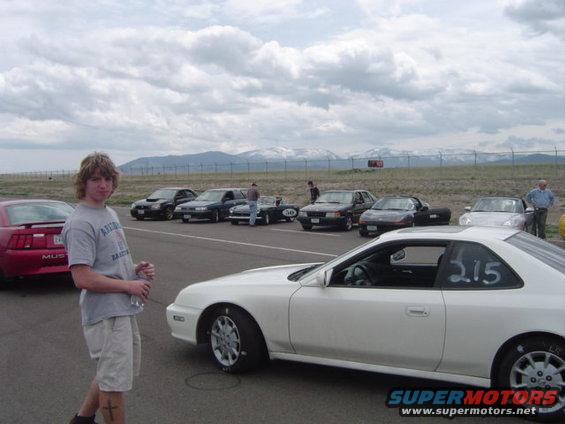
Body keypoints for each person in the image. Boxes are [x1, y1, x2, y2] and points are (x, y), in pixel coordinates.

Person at [63, 152, 155, 424]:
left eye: (107, 178)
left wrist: (135, 269)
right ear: (84, 183)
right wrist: (129, 285)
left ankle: (82, 420)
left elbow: (107, 263)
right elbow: (82, 278)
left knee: (110, 372)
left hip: (120, 309)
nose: (102, 185)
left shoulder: (108, 212)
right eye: (95, 179)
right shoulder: (80, 223)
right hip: (105, 314)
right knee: (113, 383)